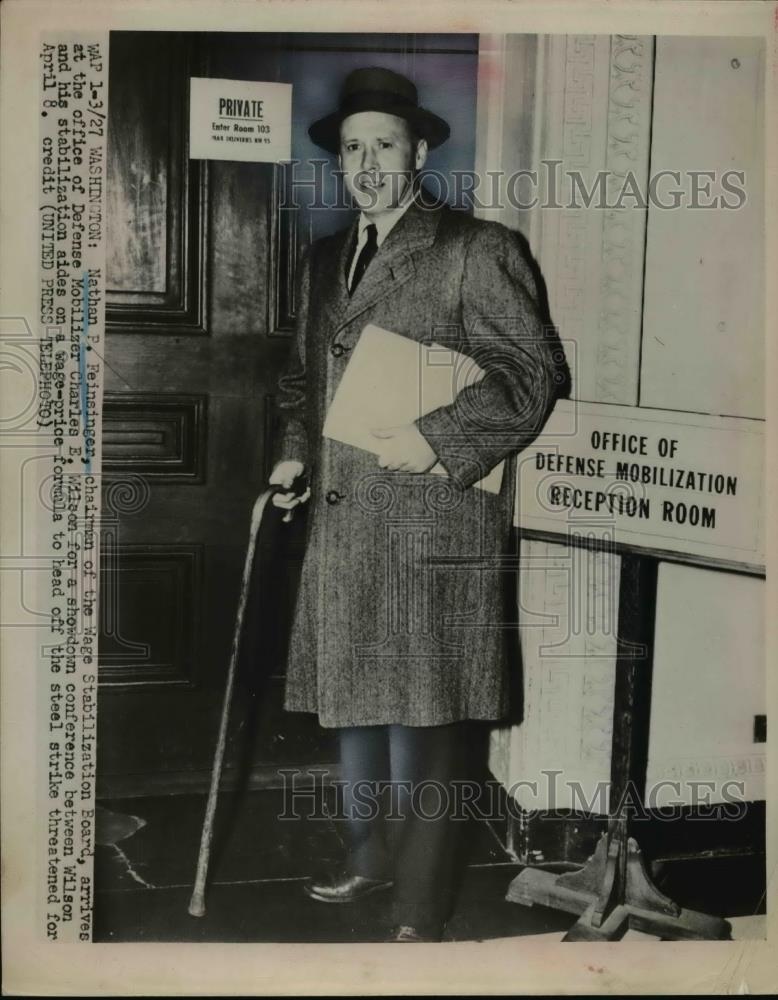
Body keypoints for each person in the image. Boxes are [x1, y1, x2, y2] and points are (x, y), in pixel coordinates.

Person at [269, 66, 564, 942]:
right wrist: (291, 456)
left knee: (427, 719)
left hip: (434, 524)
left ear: (421, 151)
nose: (366, 163)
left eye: (384, 145)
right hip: (345, 519)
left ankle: (421, 910)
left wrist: (436, 436)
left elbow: (533, 374)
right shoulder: (328, 256)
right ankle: (369, 862)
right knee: (355, 706)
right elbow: (299, 379)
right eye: (352, 148)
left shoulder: (477, 247)